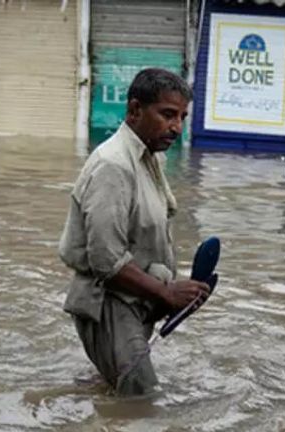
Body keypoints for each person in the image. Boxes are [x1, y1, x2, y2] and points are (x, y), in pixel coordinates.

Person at [59, 68, 211, 396]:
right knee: (143, 405)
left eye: (182, 117)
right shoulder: (114, 166)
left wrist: (176, 293)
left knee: (115, 393)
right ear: (134, 110)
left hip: (137, 301)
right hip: (110, 306)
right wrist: (167, 293)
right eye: (168, 115)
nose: (177, 127)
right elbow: (106, 262)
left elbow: (143, 241)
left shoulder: (147, 157)